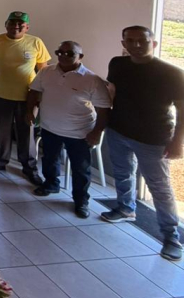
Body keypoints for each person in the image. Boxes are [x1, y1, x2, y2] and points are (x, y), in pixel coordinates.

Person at [100, 25, 184, 261]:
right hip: (119, 130)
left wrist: (178, 141)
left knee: (159, 187)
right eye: (131, 40)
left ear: (153, 43)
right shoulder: (117, 64)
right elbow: (112, 93)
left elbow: (182, 109)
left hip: (153, 138)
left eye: (143, 41)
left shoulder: (171, 73)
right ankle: (126, 207)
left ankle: (171, 236)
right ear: (123, 43)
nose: (136, 45)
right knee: (123, 172)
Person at [26, 41, 110, 220]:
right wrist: (29, 111)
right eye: (60, 52)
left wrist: (97, 132)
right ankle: (51, 184)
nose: (63, 56)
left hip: (79, 133)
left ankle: (81, 200)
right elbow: (34, 91)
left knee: (81, 168)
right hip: (50, 127)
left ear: (80, 57)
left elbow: (104, 109)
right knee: (49, 159)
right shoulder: (47, 72)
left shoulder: (91, 79)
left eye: (69, 53)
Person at [0, 12, 50, 184]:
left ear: (27, 27)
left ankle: (29, 167)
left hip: (27, 97)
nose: (16, 26)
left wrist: (39, 96)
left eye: (21, 24)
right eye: (12, 23)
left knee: (27, 133)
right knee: (0, 131)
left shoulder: (36, 42)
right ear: (6, 24)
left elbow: (44, 71)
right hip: (0, 94)